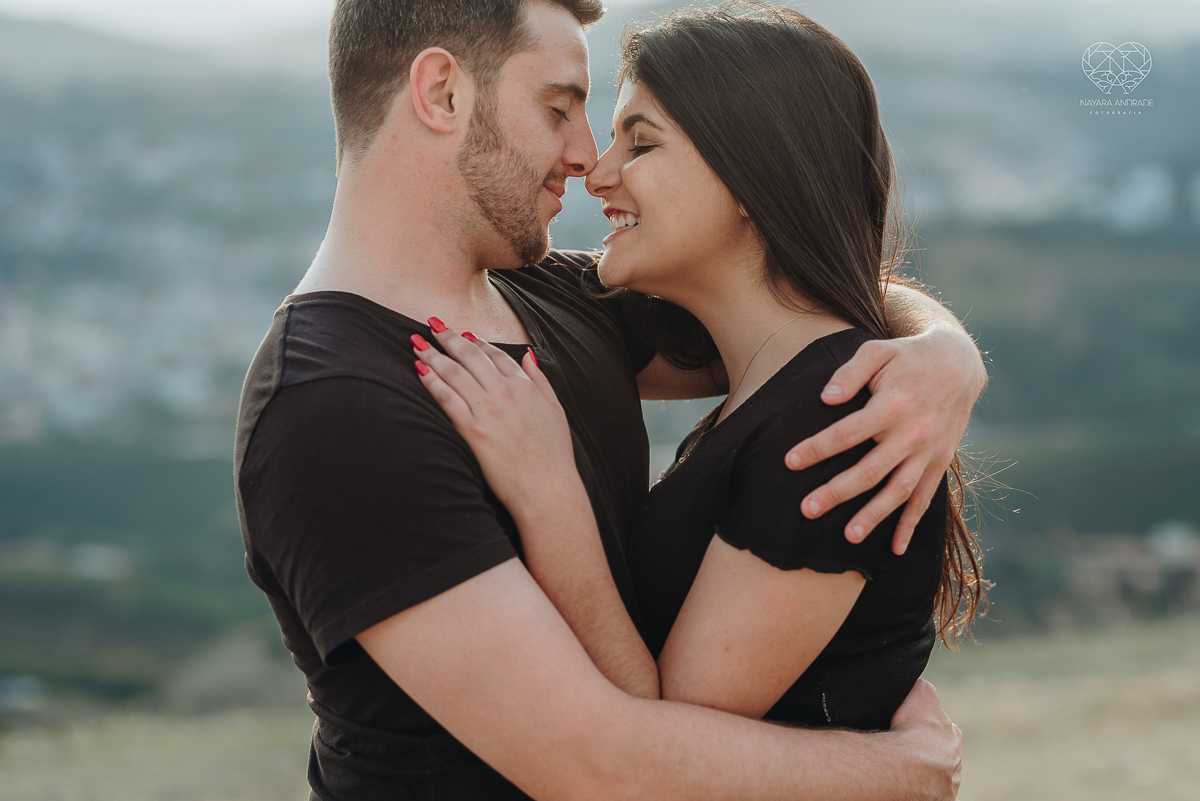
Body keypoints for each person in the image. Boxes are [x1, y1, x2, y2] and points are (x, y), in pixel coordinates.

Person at [234, 0, 985, 798]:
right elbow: (597, 766)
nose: (585, 157)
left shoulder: (558, 297)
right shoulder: (335, 405)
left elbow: (779, 293)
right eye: (558, 108)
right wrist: (891, 774)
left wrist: (941, 352)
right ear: (442, 93)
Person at [414, 0, 988, 737]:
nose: (598, 173)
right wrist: (946, 343)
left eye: (640, 144)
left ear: (754, 176)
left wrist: (548, 492)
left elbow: (673, 748)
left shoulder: (839, 419)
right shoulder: (776, 373)